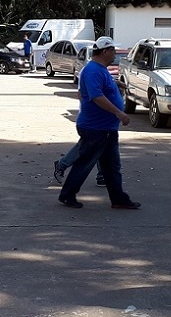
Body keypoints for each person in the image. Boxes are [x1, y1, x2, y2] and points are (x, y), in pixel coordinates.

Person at [56, 37, 141, 210]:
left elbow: (99, 88)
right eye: (113, 51)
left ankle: (118, 199)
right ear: (105, 52)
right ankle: (67, 195)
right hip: (96, 128)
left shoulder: (100, 70)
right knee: (85, 163)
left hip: (105, 129)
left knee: (111, 166)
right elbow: (96, 96)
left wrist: (115, 83)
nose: (115, 55)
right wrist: (119, 112)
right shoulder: (93, 70)